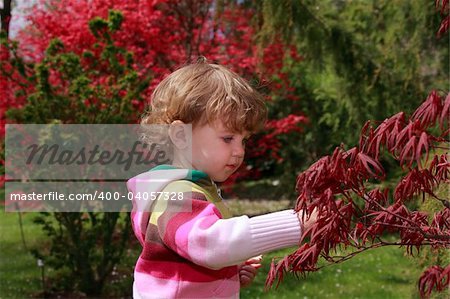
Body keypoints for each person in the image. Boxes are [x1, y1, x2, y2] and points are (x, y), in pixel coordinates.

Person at [127, 58, 316, 299]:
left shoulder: (191, 188)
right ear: (180, 135)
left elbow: (194, 255)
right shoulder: (177, 194)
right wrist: (297, 223)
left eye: (243, 140)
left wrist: (230, 270)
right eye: (228, 138)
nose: (240, 151)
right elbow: (210, 243)